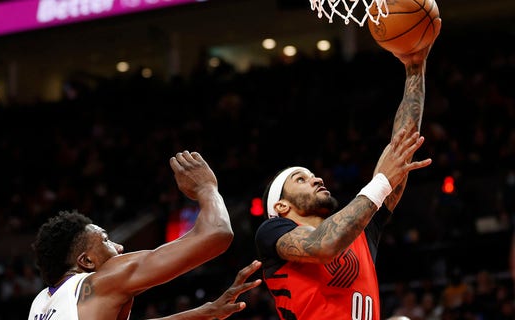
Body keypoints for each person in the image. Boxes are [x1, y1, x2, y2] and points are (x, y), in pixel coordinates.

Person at [253, 20, 442, 320]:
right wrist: (380, 183)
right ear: (281, 205)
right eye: (300, 179)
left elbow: (401, 146)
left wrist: (415, 70)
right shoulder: (274, 232)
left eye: (312, 174)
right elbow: (323, 245)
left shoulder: (361, 230)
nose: (315, 178)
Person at [28, 150, 263, 320]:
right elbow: (217, 233)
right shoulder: (100, 283)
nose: (119, 247)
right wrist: (207, 188)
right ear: (86, 261)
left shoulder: (40, 305)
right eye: (106, 240)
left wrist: (204, 312)